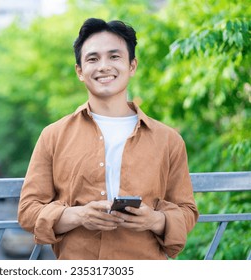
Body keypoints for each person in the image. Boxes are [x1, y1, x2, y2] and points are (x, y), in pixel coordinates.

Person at [18, 18, 199, 260]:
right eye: (93, 59)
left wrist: (155, 220)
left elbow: (188, 211)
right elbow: (28, 211)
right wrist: (79, 215)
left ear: (132, 66)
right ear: (80, 72)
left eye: (114, 57)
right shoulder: (53, 135)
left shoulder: (168, 140)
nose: (104, 66)